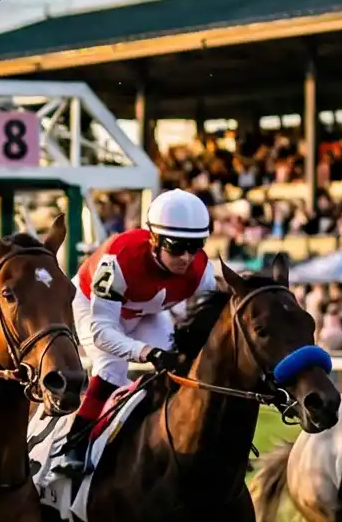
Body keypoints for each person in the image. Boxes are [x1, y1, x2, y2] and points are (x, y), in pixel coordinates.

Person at [52, 187, 221, 479]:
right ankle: (75, 445)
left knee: (180, 367)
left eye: (195, 246)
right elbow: (103, 331)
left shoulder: (201, 270)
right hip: (93, 306)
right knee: (111, 368)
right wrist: (145, 352)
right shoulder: (119, 257)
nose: (186, 257)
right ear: (153, 239)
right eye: (176, 247)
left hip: (145, 311)